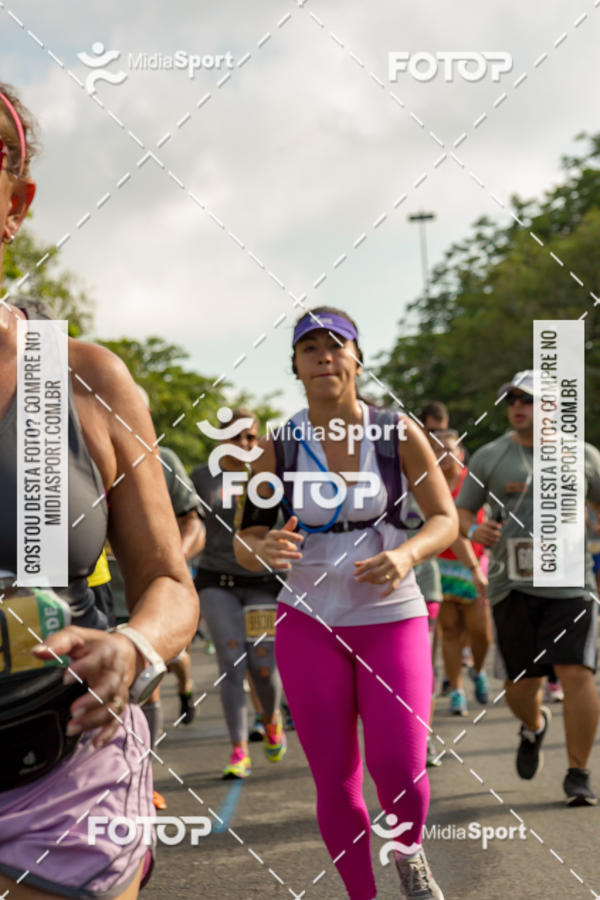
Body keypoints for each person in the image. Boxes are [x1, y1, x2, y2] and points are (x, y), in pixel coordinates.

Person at [0, 83, 198, 899]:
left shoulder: (79, 376)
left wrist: (136, 647)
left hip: (61, 780)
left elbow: (166, 583)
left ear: (17, 201)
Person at [235, 306, 458, 900]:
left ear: (357, 359)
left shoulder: (397, 432)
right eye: (311, 349)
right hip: (309, 619)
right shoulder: (278, 446)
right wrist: (264, 546)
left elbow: (445, 519)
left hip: (391, 613)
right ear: (296, 367)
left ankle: (409, 855)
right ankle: (363, 895)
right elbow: (243, 539)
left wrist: (408, 555)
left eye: (336, 346)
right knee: (335, 782)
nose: (324, 357)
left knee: (400, 768)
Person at [457, 370, 600, 806]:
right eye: (512, 399)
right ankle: (534, 726)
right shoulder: (489, 456)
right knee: (521, 686)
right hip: (512, 586)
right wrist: (473, 533)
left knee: (577, 672)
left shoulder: (584, 456)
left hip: (573, 586)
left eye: (529, 398)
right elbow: (462, 513)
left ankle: (578, 773)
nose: (518, 405)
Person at [191, 408, 286, 779]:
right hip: (217, 582)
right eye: (235, 437)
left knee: (263, 666)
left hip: (263, 582)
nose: (245, 444)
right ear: (220, 439)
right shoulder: (200, 477)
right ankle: (238, 750)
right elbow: (187, 523)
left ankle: (272, 716)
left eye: (251, 437)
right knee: (230, 663)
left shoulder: (269, 477)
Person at [431, 430, 491, 715]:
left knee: (482, 633)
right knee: (451, 631)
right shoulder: (428, 483)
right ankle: (456, 691)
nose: (443, 454)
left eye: (448, 448)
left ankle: (478, 671)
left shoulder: (473, 481)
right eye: (437, 449)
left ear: (460, 453)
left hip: (474, 564)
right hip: (440, 565)